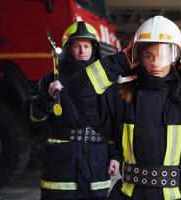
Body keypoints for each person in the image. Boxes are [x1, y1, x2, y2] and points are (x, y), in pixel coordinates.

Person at [67, 16, 181, 200]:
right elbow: (77, 89)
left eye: (165, 55)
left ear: (177, 56)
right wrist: (120, 61)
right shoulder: (121, 97)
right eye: (148, 55)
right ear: (137, 56)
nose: (156, 63)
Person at [27, 21, 120, 200]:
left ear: (94, 49)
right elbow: (32, 118)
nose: (82, 51)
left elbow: (113, 122)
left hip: (97, 159)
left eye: (86, 46)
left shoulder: (105, 82)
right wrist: (47, 97)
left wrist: (115, 156)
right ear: (69, 48)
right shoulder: (51, 80)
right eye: (77, 46)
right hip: (62, 162)